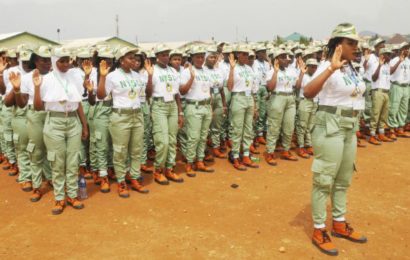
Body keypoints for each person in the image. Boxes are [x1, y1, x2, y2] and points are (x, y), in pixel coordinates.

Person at [304, 23, 367, 256]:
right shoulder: (326, 66)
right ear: (338, 44)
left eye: (357, 44)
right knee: (324, 179)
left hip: (349, 126)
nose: (356, 48)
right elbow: (308, 92)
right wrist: (330, 69)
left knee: (343, 179)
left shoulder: (352, 68)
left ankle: (339, 222)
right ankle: (319, 229)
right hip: (329, 125)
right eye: (351, 43)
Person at [33, 47, 89, 215]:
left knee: (73, 160)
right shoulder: (46, 79)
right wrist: (37, 88)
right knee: (57, 161)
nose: (66, 64)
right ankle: (59, 197)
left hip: (73, 120)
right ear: (54, 62)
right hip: (54, 121)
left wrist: (84, 125)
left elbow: (78, 103)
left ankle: (72, 195)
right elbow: (37, 107)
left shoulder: (74, 76)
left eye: (68, 60)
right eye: (61, 61)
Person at [97, 46, 150, 197]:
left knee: (136, 150)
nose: (134, 61)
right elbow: (101, 96)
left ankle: (134, 177)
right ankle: (121, 181)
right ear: (121, 60)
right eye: (130, 58)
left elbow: (141, 96)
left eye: (135, 58)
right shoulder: (112, 76)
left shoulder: (138, 76)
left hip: (137, 115)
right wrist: (102, 77)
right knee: (120, 151)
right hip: (121, 117)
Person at [14, 46, 53, 202]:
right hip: (35, 116)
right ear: (36, 61)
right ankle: (37, 186)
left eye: (49, 59)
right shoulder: (26, 78)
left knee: (52, 150)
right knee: (36, 150)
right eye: (43, 60)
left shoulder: (54, 77)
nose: (47, 63)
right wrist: (16, 90)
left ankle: (51, 178)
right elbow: (22, 104)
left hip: (51, 114)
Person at [147, 44, 184, 183]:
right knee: (163, 142)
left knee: (172, 140)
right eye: (163, 55)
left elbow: (177, 94)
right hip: (159, 105)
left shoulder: (174, 71)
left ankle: (170, 169)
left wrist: (180, 112)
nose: (166, 57)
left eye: (167, 54)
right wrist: (150, 77)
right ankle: (158, 170)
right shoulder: (151, 70)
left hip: (172, 106)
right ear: (157, 56)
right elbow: (148, 94)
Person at [180, 45, 215, 175]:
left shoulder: (206, 71)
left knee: (203, 136)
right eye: (197, 57)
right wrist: (191, 78)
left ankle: (200, 160)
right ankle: (190, 162)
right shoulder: (186, 72)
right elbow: (182, 91)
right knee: (193, 137)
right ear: (192, 58)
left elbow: (209, 90)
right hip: (193, 106)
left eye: (202, 57)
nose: (200, 59)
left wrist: (210, 106)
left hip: (206, 106)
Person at [226, 45, 258, 170]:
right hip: (238, 98)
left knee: (248, 129)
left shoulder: (249, 69)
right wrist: (232, 69)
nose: (246, 57)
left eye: (247, 54)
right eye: (243, 54)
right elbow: (229, 87)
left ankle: (245, 155)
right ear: (238, 54)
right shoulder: (233, 68)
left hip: (249, 98)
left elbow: (252, 88)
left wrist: (254, 105)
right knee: (237, 129)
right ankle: (235, 156)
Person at [265, 49, 298, 166]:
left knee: (289, 127)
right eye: (282, 57)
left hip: (290, 98)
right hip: (277, 98)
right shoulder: (271, 72)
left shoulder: (292, 71)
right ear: (276, 59)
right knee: (274, 126)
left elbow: (297, 86)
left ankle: (286, 150)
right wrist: (275, 71)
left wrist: (302, 73)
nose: (286, 59)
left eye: (286, 57)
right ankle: (269, 152)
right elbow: (270, 88)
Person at [204, 46, 227, 159]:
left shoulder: (219, 71)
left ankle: (216, 147)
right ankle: (204, 151)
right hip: (208, 98)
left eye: (214, 57)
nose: (213, 59)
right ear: (206, 58)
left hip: (218, 96)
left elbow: (222, 88)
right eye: (210, 57)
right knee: (205, 126)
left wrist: (224, 103)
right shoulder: (203, 71)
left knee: (217, 125)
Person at [368, 48, 393, 145]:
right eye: (387, 54)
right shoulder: (375, 64)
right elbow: (374, 78)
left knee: (384, 114)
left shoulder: (387, 66)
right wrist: (379, 65)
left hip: (386, 92)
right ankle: (372, 136)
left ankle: (381, 134)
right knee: (375, 113)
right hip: (378, 91)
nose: (389, 56)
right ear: (382, 55)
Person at [0, 49, 19, 177]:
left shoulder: (21, 71)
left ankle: (17, 162)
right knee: (6, 133)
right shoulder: (6, 71)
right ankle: (11, 160)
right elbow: (3, 91)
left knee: (16, 137)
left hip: (17, 105)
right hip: (6, 104)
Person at [295, 58, 319, 157]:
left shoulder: (317, 76)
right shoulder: (303, 75)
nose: (314, 68)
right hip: (304, 101)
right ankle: (300, 146)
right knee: (302, 125)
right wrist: (301, 72)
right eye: (312, 66)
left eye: (315, 67)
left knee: (310, 126)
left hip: (314, 102)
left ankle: (308, 144)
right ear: (307, 67)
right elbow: (297, 86)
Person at [387, 42, 410, 138]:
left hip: (406, 87)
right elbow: (390, 71)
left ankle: (400, 128)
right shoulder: (394, 60)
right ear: (401, 50)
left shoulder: (408, 61)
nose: (407, 50)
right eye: (405, 48)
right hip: (397, 86)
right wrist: (399, 61)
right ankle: (391, 129)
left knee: (403, 109)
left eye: (408, 48)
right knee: (393, 108)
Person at [252, 44, 270, 146]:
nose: (263, 54)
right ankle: (255, 135)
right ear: (257, 53)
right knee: (256, 111)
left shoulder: (267, 64)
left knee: (263, 112)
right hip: (257, 88)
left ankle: (260, 133)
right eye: (261, 52)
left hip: (265, 87)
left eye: (264, 52)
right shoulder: (253, 62)